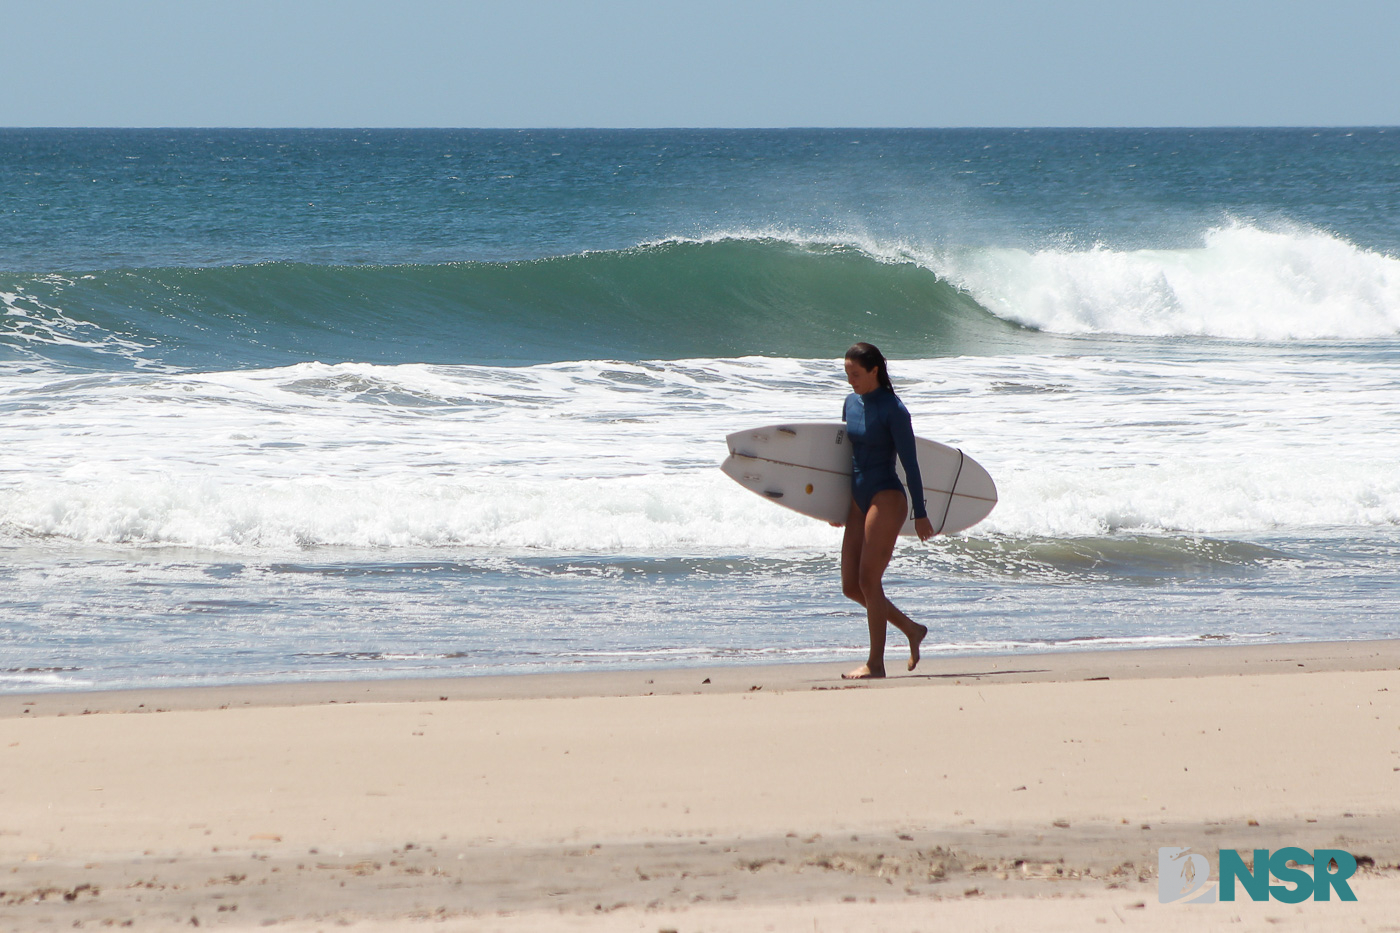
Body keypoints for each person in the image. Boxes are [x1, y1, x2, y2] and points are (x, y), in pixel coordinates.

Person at [835, 342, 935, 679]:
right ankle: (911, 629)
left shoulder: (894, 409)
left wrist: (920, 512)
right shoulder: (850, 403)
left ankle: (875, 664)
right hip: (858, 497)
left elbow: (911, 464)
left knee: (868, 579)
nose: (851, 380)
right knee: (851, 585)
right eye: (847, 374)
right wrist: (832, 505)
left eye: (856, 374)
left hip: (886, 496)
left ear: (874, 371)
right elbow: (843, 460)